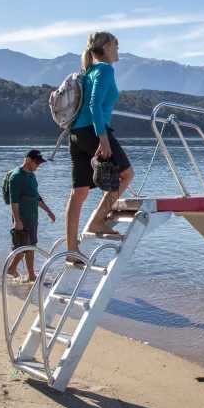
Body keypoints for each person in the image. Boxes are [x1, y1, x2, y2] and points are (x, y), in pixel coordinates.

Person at [64, 31, 134, 263]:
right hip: (94, 131)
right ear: (106, 46)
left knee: (78, 193)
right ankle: (98, 219)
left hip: (76, 133)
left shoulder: (88, 71)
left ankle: (72, 252)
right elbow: (94, 104)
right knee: (126, 175)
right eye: (116, 44)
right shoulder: (104, 69)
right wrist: (103, 138)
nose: (118, 49)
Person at [7, 149, 55, 281]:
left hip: (33, 216)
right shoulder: (16, 176)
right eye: (36, 163)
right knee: (26, 247)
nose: (38, 166)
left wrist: (49, 212)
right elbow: (13, 200)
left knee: (30, 246)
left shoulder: (32, 175)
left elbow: (36, 196)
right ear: (28, 160)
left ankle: (15, 269)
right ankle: (30, 274)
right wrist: (17, 220)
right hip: (23, 217)